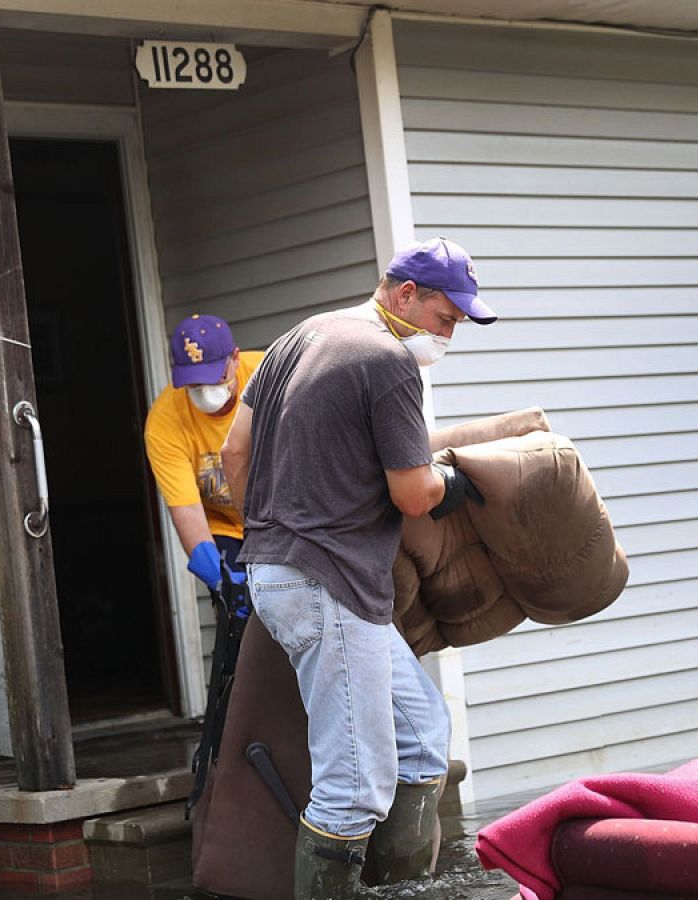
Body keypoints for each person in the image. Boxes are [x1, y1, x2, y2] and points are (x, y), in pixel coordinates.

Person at [221, 238, 496, 897]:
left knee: (424, 733)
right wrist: (446, 485)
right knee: (355, 786)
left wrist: (265, 532)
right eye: (445, 319)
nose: (447, 334)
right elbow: (410, 494)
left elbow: (235, 451)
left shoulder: (300, 336)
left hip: (284, 573)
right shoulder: (387, 361)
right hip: (330, 584)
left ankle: (399, 889)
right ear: (406, 295)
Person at [143, 313, 264, 598]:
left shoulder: (267, 376)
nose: (205, 390)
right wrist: (221, 579)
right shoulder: (164, 423)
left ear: (234, 358)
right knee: (238, 609)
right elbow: (187, 509)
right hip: (227, 530)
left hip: (283, 516)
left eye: (215, 377)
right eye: (194, 384)